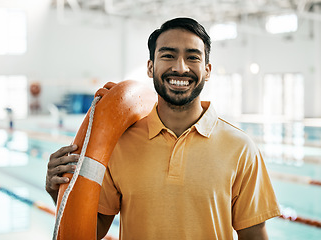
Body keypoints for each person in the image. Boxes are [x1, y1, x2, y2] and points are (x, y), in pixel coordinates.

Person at [46, 17, 281, 239]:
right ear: (150, 67)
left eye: (193, 57)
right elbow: (90, 230)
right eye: (168, 55)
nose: (180, 68)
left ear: (207, 71)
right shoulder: (121, 144)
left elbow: (254, 235)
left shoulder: (240, 148)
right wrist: (61, 193)